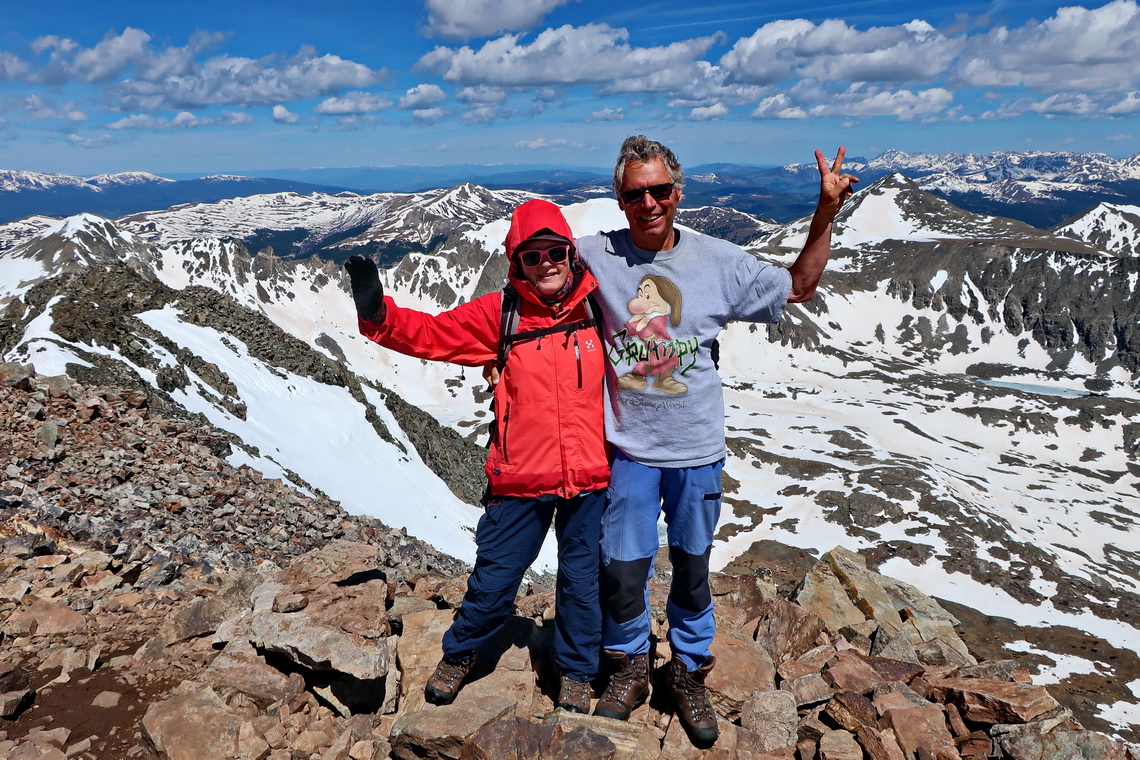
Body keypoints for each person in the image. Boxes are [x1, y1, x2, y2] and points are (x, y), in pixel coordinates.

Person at [577, 135, 857, 745]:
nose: (649, 202)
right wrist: (498, 355)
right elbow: (532, 272)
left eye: (659, 190)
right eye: (635, 193)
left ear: (678, 192)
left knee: (692, 568)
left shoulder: (718, 262)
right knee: (623, 570)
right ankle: (628, 667)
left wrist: (825, 212)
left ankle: (688, 668)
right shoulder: (593, 255)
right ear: (619, 199)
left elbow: (800, 285)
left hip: (696, 449)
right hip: (627, 448)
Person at [344, 199, 608, 713]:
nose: (547, 263)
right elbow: (433, 333)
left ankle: (577, 670)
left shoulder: (602, 306)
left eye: (556, 251)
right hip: (519, 482)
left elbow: (657, 332)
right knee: (495, 578)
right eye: (533, 257)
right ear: (517, 263)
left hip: (591, 479)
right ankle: (461, 652)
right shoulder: (501, 313)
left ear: (572, 254)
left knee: (583, 581)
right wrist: (378, 315)